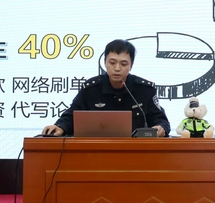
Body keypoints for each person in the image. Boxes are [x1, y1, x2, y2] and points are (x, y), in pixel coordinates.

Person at [42, 39, 170, 137]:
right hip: (96, 151)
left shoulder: (145, 90)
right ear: (105, 62)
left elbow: (161, 121)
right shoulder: (91, 89)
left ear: (131, 65)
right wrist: (60, 127)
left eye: (123, 64)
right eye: (112, 62)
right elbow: (72, 116)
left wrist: (160, 128)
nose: (117, 68)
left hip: (136, 152)